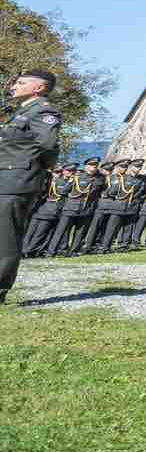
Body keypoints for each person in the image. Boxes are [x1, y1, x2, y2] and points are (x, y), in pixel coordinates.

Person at [0, 70, 64, 305]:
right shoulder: (21, 112)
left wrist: (31, 167)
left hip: (17, 180)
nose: (14, 86)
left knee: (6, 236)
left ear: (39, 87)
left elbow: (47, 144)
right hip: (6, 178)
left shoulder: (44, 111)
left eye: (21, 82)